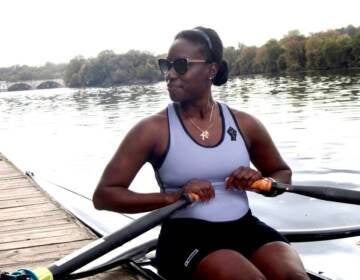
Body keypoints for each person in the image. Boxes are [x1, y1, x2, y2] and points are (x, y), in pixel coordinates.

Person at [93, 27, 310, 280]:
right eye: (167, 65)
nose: (170, 75)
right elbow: (104, 196)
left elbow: (282, 174)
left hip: (245, 227)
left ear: (212, 70)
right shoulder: (152, 130)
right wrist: (174, 197)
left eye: (181, 65)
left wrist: (262, 183)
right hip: (186, 237)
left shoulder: (245, 124)